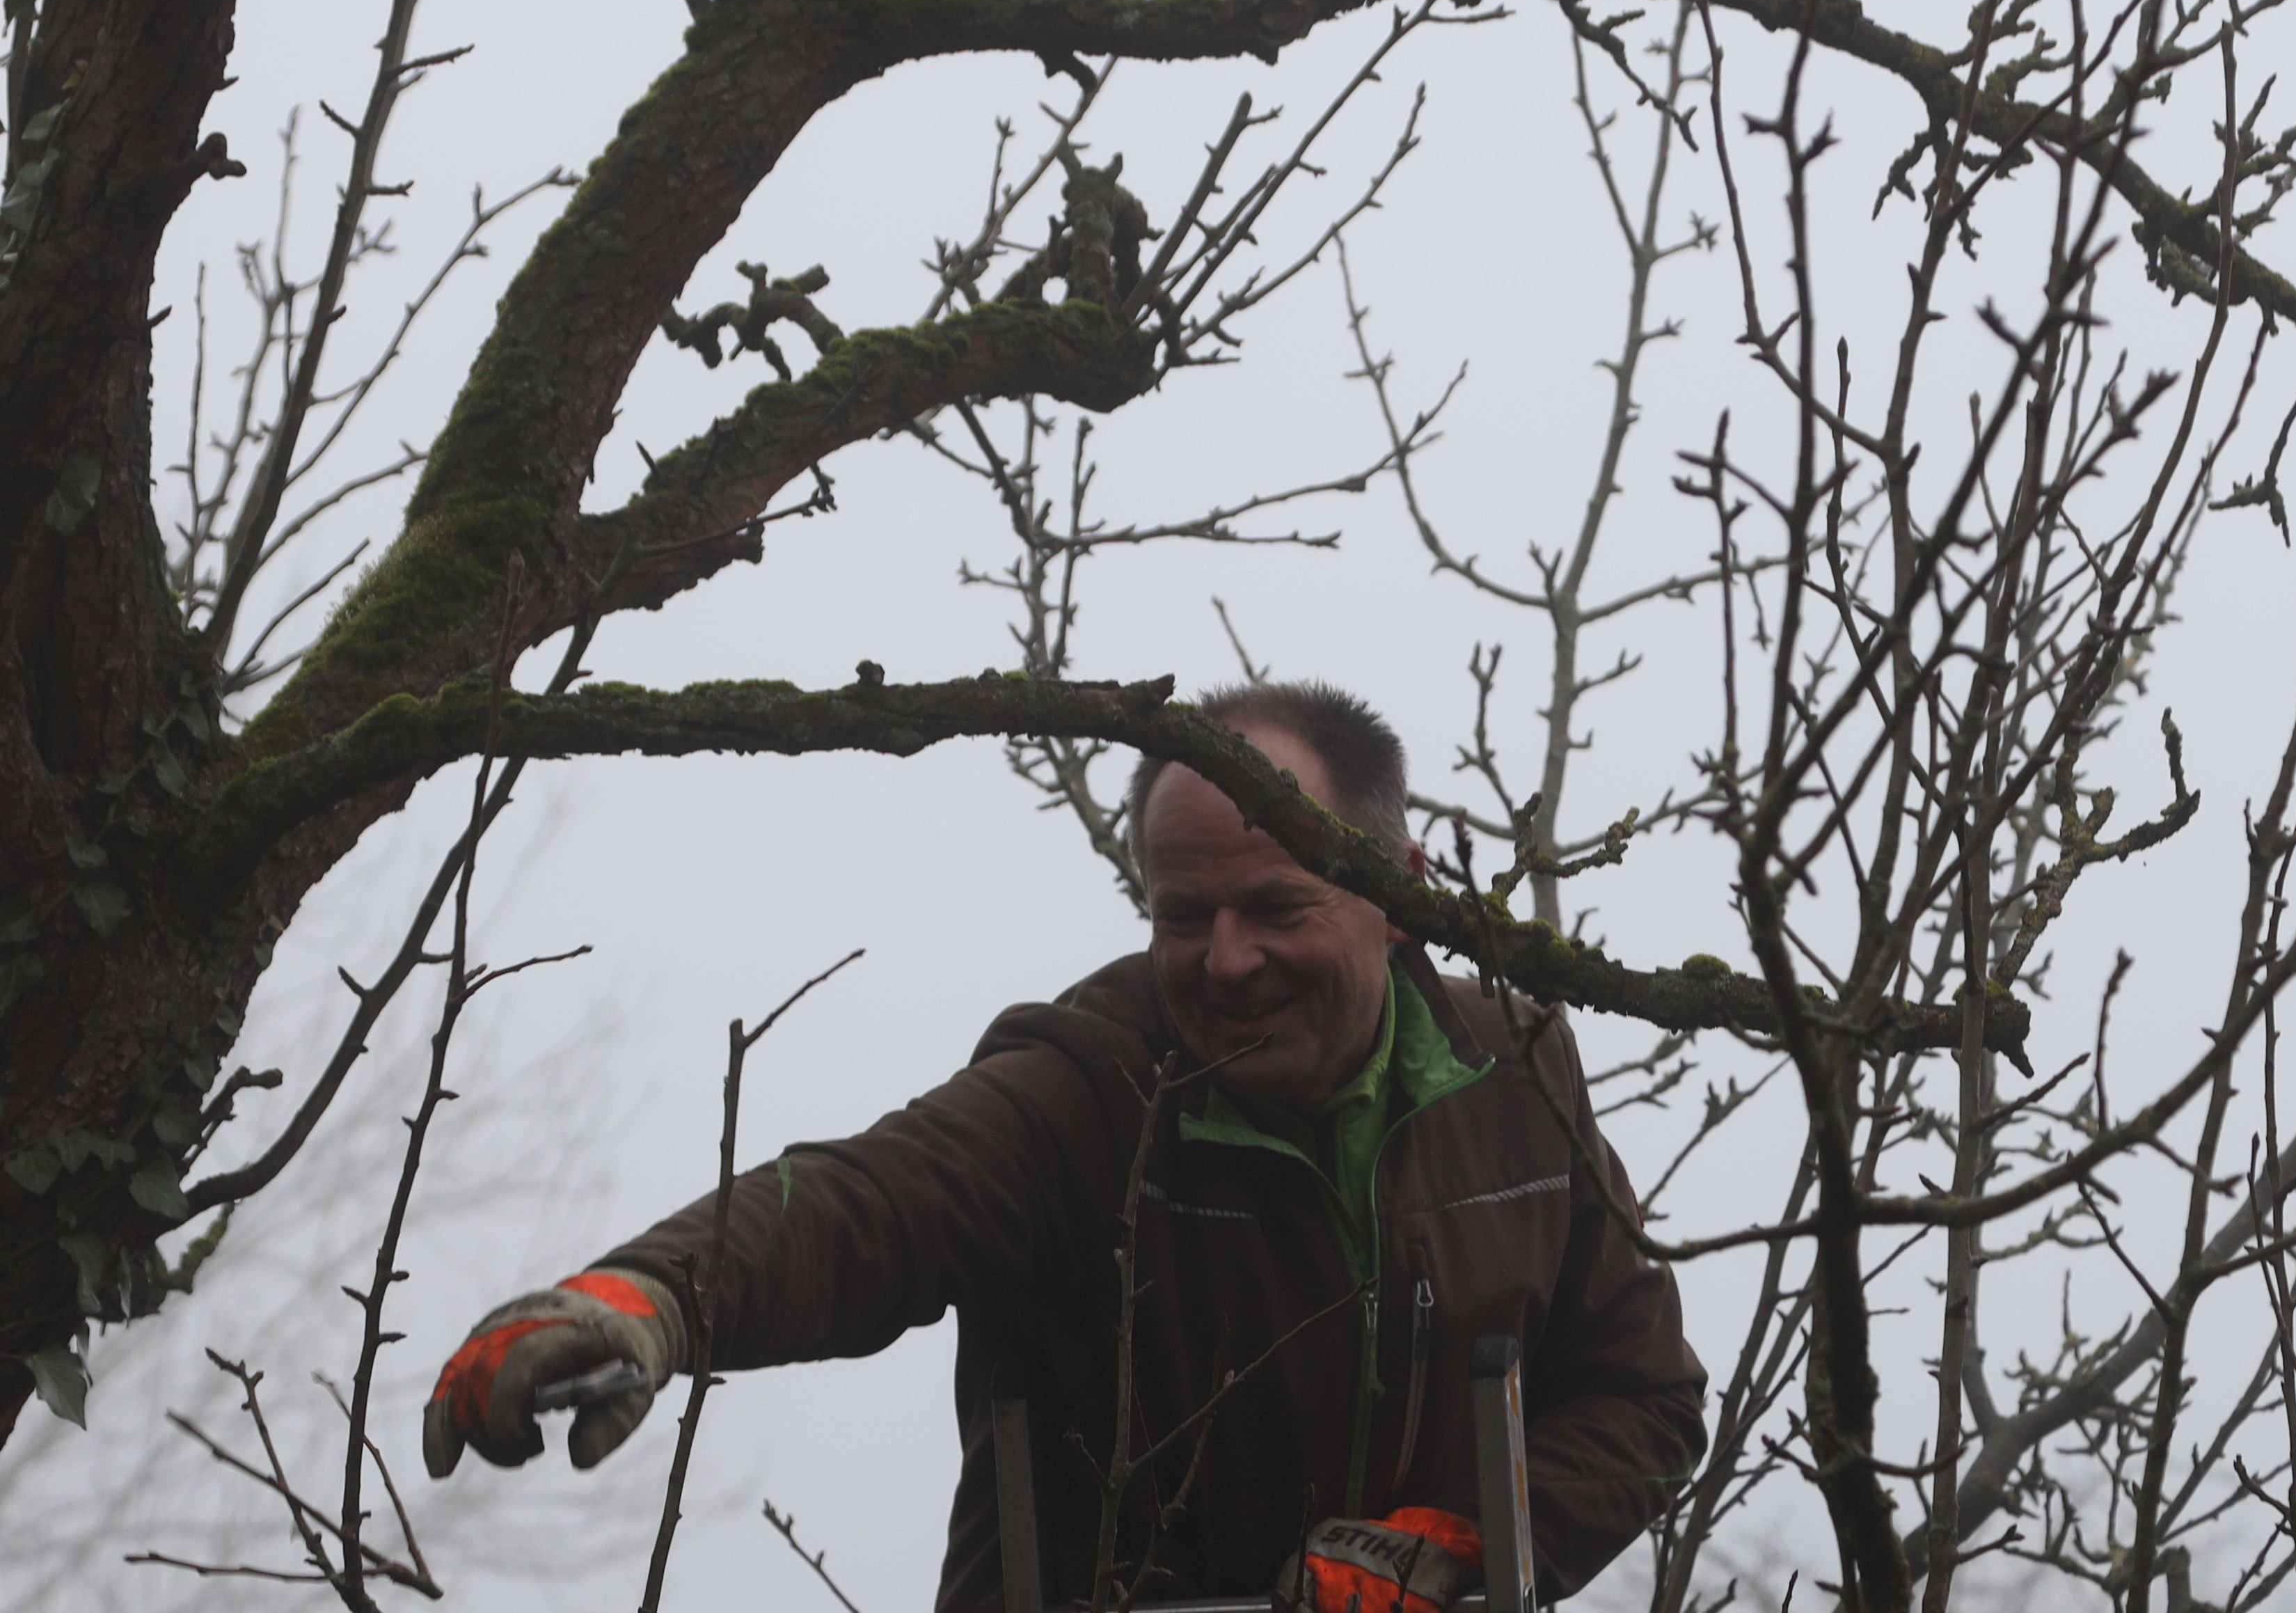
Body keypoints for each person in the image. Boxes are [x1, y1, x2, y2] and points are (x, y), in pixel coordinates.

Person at [421, 681, 1707, 1611]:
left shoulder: (1517, 1075)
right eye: (1183, 913)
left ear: (1396, 892)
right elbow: (871, 1202)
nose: (1227, 960)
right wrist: (649, 1297)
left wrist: (1463, 1541)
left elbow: (1647, 1402)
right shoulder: (1090, 1087)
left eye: (1276, 907)